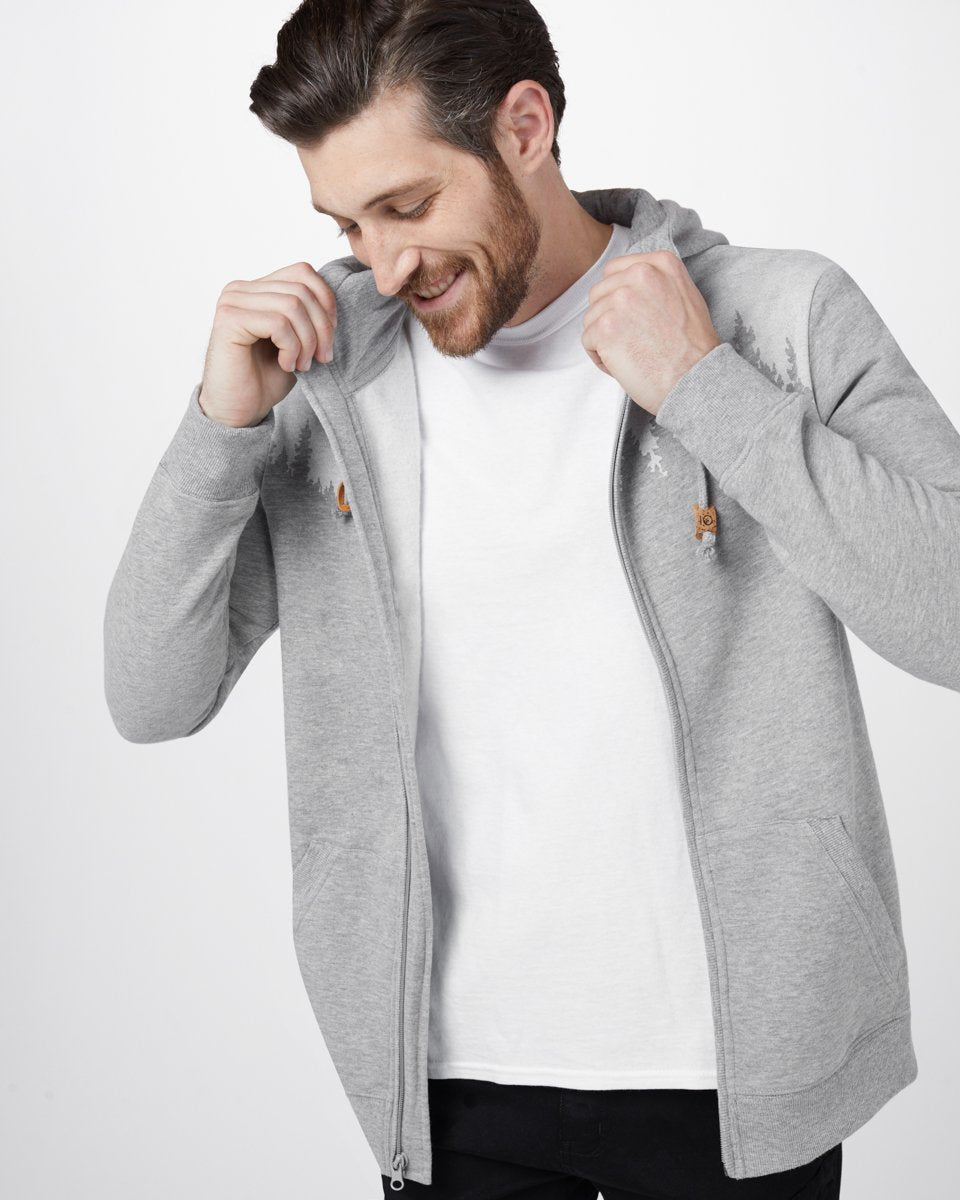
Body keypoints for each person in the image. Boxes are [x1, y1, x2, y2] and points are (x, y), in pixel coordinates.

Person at [103, 1, 960, 1196]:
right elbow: (151, 696)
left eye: (409, 205)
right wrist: (218, 431)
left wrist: (706, 389)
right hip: (447, 1081)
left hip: (741, 1074)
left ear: (524, 127)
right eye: (348, 222)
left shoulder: (780, 318)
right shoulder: (326, 375)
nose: (384, 264)